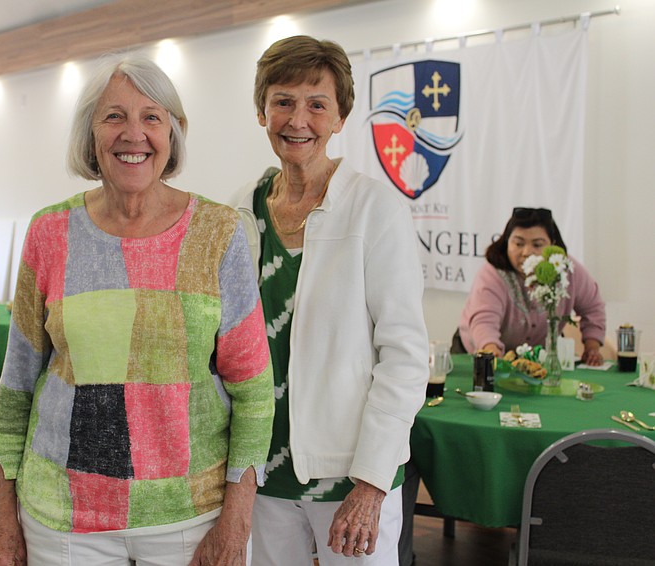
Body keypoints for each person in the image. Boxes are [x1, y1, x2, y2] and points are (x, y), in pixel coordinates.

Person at [0, 55, 274, 566]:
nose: (133, 134)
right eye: (114, 116)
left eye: (151, 117)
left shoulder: (218, 232)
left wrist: (237, 521)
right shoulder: (49, 233)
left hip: (188, 516)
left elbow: (254, 391)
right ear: (89, 134)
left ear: (173, 132)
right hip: (63, 516)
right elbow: (17, 385)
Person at [234, 36, 429, 565]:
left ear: (340, 118)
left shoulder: (375, 210)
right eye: (283, 101)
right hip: (261, 474)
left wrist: (371, 482)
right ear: (262, 111)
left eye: (317, 105)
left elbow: (406, 357)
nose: (298, 119)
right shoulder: (240, 212)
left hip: (351, 475)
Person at [458, 206, 606, 365]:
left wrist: (592, 348)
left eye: (537, 245)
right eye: (518, 244)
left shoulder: (565, 269)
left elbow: (592, 308)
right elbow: (484, 321)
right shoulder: (492, 274)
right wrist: (490, 350)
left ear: (552, 245)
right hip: (480, 353)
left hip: (538, 358)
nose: (526, 252)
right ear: (507, 242)